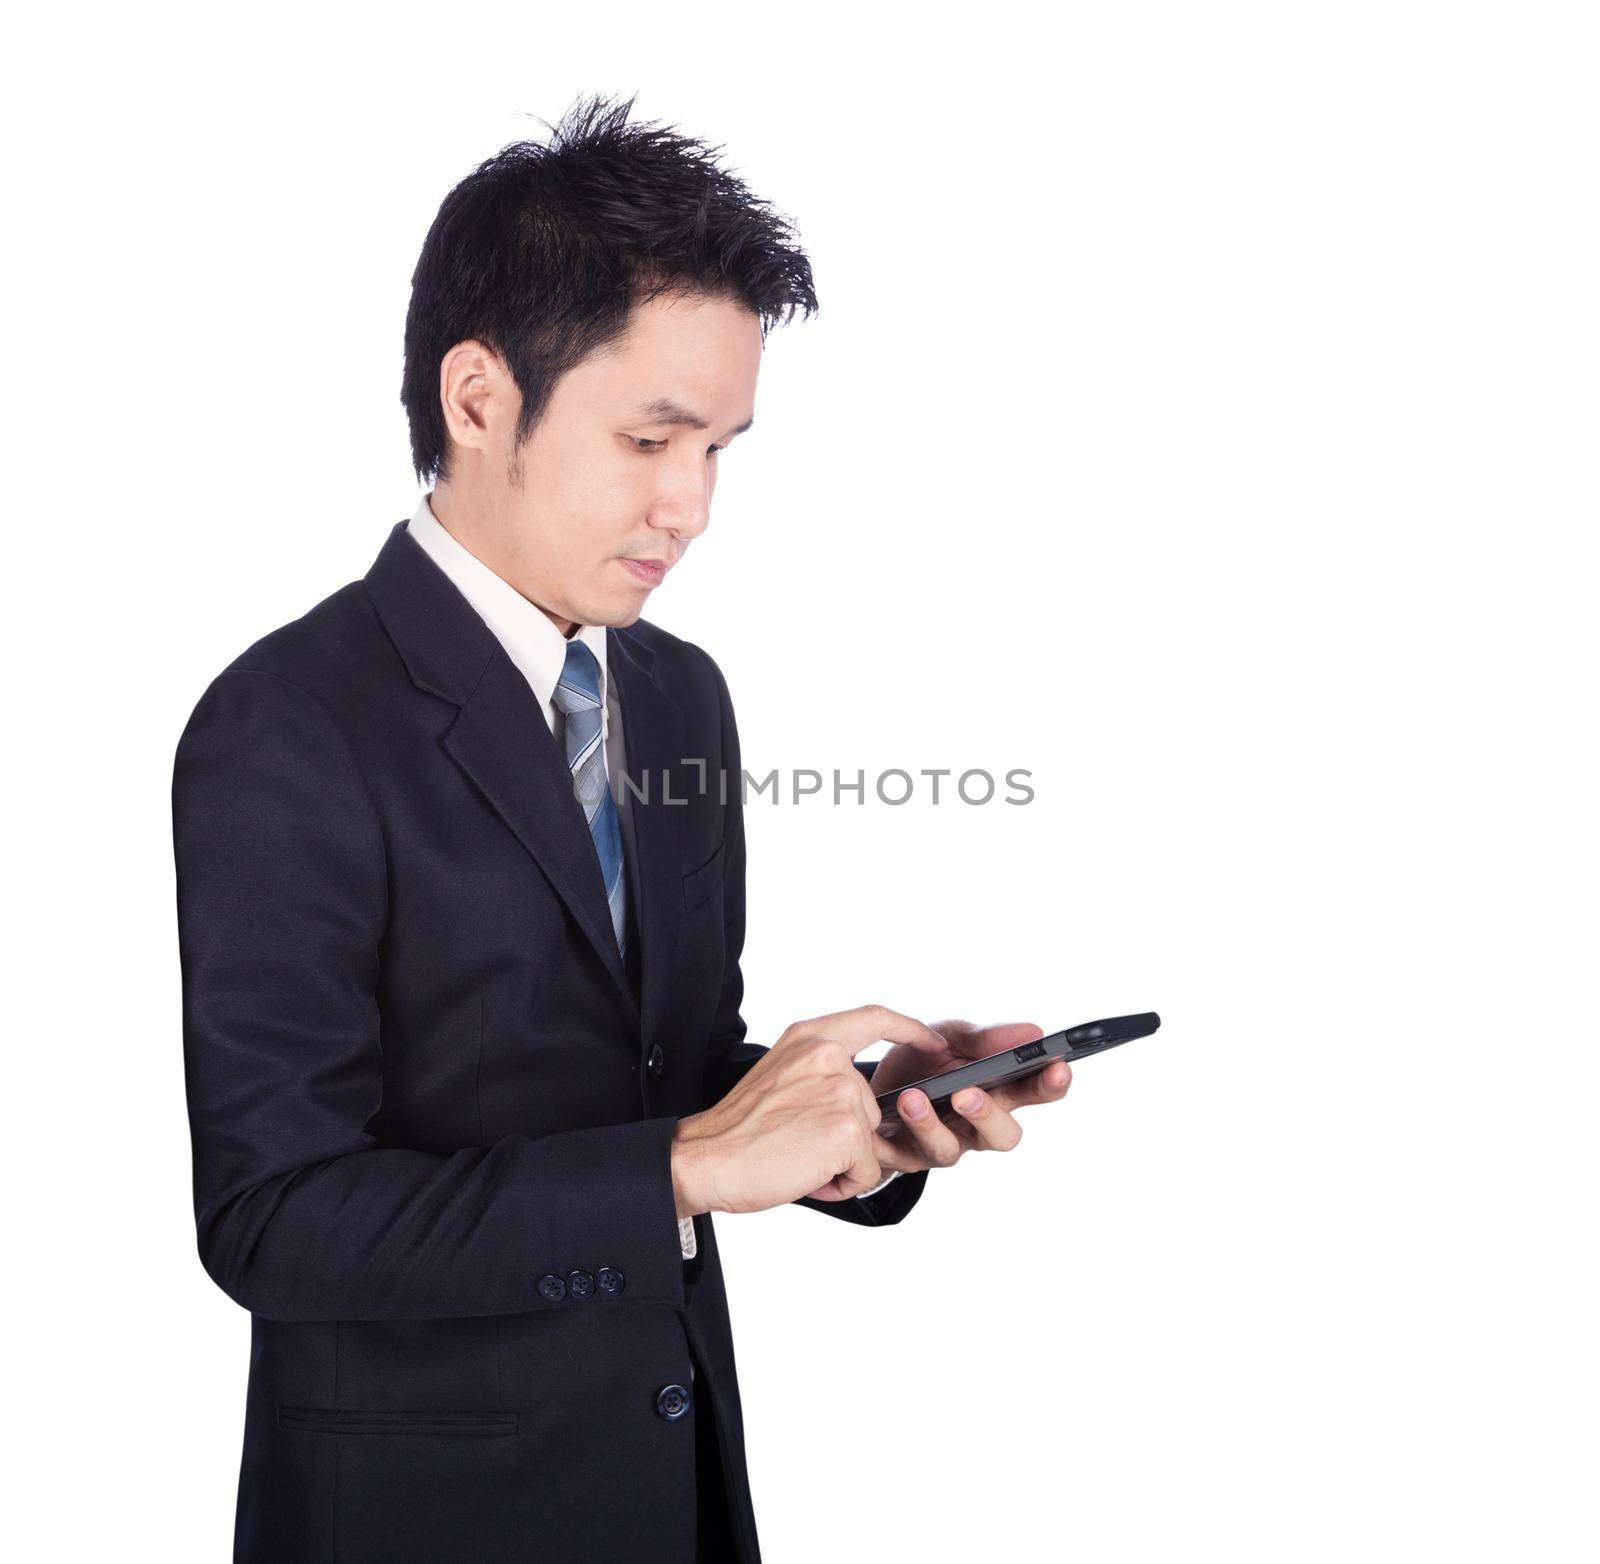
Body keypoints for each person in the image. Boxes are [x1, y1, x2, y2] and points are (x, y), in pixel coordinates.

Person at [170, 92, 1073, 1564]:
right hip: (417, 1516)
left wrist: (858, 1110)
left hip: (675, 1485)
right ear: (477, 400)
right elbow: (274, 1220)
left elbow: (662, 1075)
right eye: (652, 438)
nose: (693, 505)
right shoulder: (287, 724)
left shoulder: (675, 695)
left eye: (721, 448)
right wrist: (685, 1171)